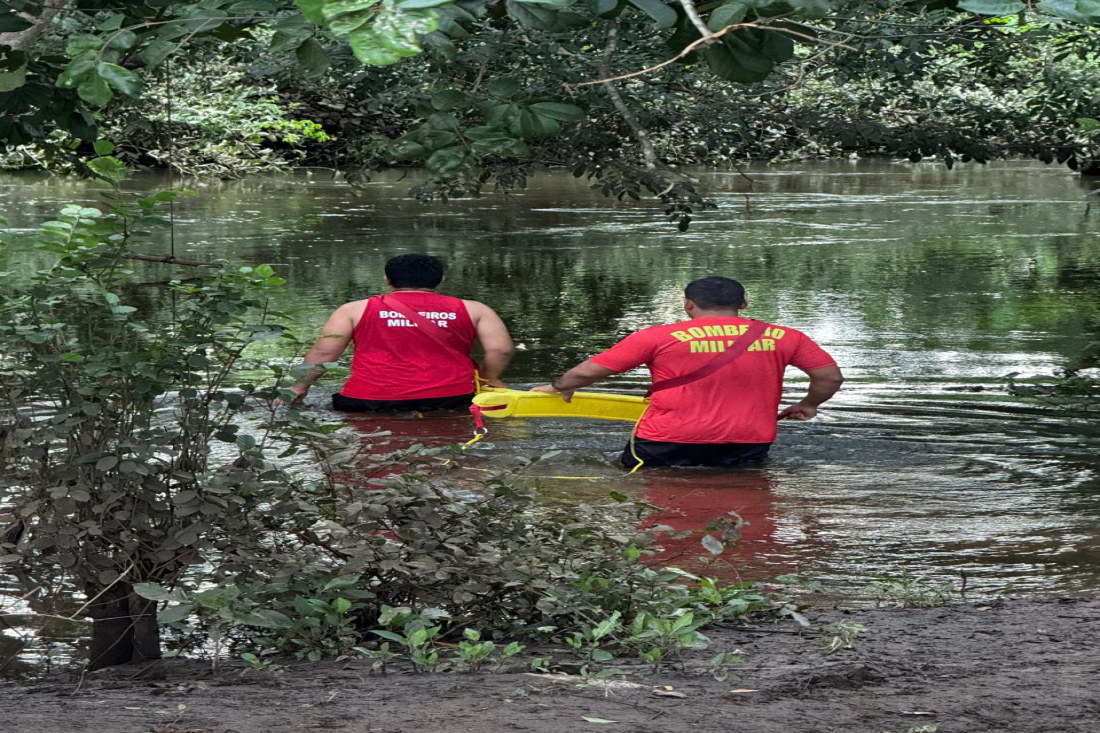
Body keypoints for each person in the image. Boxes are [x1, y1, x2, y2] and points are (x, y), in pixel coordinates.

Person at [534, 276, 843, 468]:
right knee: (743, 500)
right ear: (744, 303)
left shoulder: (657, 336)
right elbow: (829, 377)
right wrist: (809, 404)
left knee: (654, 497)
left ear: (688, 304)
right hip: (748, 439)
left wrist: (559, 387)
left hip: (667, 439)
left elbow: (587, 373)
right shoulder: (786, 336)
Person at [285, 253, 514, 412]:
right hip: (452, 397)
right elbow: (501, 349)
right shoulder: (474, 309)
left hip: (368, 401)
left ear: (387, 280)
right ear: (441, 279)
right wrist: (489, 379)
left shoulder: (354, 310)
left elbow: (324, 354)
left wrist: (299, 386)